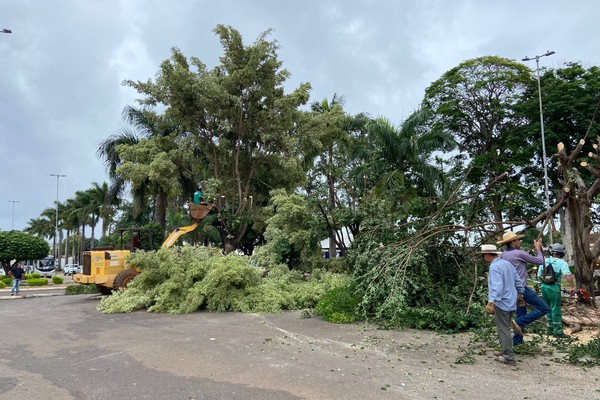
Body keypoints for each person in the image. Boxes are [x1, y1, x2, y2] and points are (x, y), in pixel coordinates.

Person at [497, 231, 550, 345]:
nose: (519, 242)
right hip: (521, 289)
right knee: (544, 308)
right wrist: (538, 249)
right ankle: (518, 322)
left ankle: (517, 341)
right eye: (517, 240)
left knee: (521, 312)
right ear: (512, 242)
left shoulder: (503, 254)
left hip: (510, 290)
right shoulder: (519, 253)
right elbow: (540, 261)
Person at [482, 244, 525, 366]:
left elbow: (497, 286)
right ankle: (504, 351)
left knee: (503, 329)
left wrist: (491, 302)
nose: (484, 258)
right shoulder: (508, 264)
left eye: (484, 255)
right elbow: (518, 281)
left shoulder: (494, 267)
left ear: (487, 255)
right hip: (511, 301)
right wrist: (520, 294)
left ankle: (508, 356)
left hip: (502, 302)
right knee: (505, 327)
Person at [536, 243, 576, 338]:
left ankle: (549, 329)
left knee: (547, 308)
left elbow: (538, 275)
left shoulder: (544, 261)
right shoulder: (562, 263)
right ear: (562, 253)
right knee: (555, 308)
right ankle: (557, 331)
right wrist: (572, 287)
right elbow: (567, 275)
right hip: (554, 288)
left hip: (543, 287)